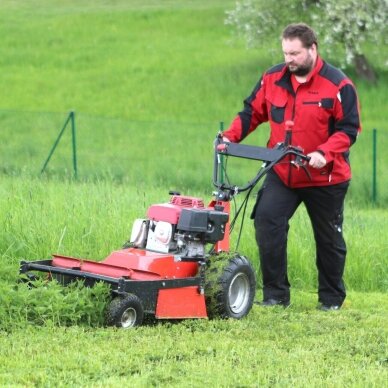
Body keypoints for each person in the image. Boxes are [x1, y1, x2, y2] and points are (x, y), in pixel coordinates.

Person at [221, 23, 361, 310]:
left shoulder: (339, 85)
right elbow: (252, 113)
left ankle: (331, 300)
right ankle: (275, 296)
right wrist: (228, 137)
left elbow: (349, 130)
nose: (289, 59)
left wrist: (325, 152)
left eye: (295, 53)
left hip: (326, 177)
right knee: (267, 223)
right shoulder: (272, 78)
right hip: (283, 171)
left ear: (313, 49)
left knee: (328, 239)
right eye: (285, 53)